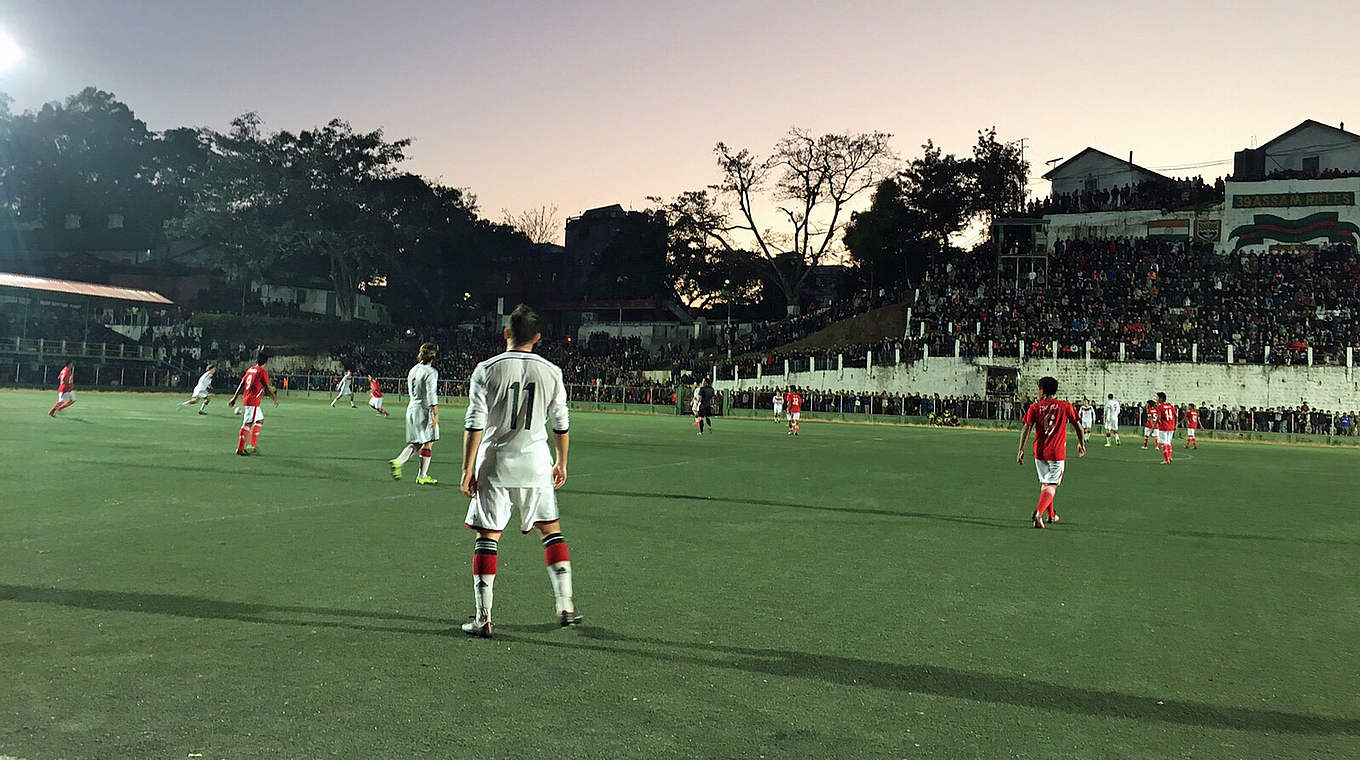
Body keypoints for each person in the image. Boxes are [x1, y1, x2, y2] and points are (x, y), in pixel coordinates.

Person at [460, 304, 580, 638]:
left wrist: (467, 469)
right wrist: (562, 462)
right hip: (537, 463)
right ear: (538, 337)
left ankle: (483, 619)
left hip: (497, 462)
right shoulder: (552, 371)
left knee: (488, 536)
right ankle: (565, 604)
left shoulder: (486, 369)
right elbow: (561, 425)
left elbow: (475, 424)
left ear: (506, 333)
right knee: (551, 531)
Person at [1016, 376, 1086, 529]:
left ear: (1042, 390)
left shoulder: (1035, 408)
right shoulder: (1065, 406)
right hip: (1056, 453)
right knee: (1052, 485)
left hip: (1039, 453)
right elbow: (1078, 426)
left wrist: (1021, 449)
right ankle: (1039, 513)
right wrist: (1081, 444)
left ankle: (1051, 515)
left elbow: (1026, 428)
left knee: (1046, 483)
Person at [391, 343, 440, 485]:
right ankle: (422, 475)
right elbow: (431, 394)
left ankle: (398, 461)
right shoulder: (431, 372)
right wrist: (435, 413)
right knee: (428, 442)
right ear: (434, 356)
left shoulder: (413, 370)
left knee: (417, 442)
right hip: (424, 409)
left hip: (412, 407)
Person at [227, 349, 279, 456]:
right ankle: (240, 449)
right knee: (248, 424)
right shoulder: (262, 371)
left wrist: (234, 398)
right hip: (253, 401)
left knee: (260, 420)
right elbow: (267, 387)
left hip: (248, 399)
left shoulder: (250, 369)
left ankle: (252, 445)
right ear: (266, 362)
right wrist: (274, 398)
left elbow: (242, 384)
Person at [1154, 392, 1177, 464]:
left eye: (1157, 398)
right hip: (1171, 427)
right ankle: (1169, 457)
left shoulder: (1160, 407)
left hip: (1164, 427)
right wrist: (1176, 425)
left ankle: (1166, 460)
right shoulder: (1170, 406)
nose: (1156, 399)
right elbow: (1176, 416)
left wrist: (1155, 425)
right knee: (1168, 443)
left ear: (1161, 399)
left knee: (1163, 444)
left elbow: (1158, 418)